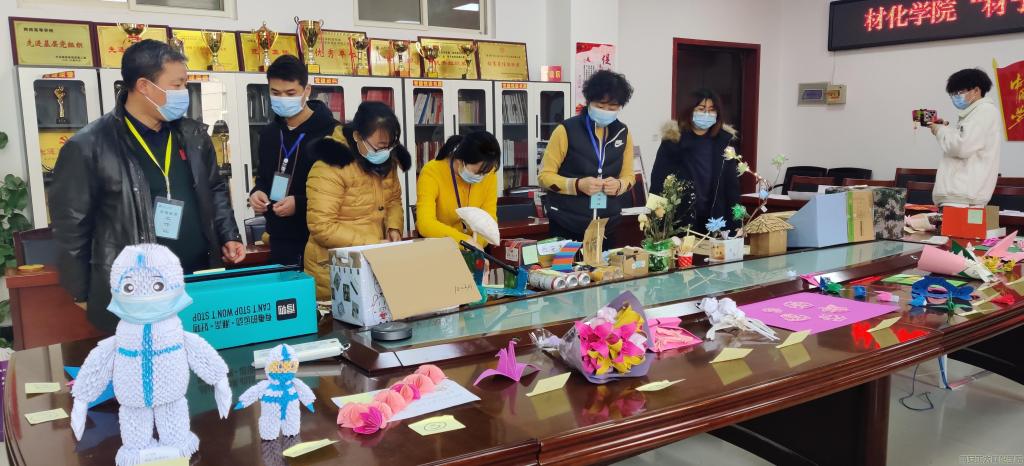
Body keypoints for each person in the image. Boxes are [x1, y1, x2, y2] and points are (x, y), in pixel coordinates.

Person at [49, 39, 245, 333]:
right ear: (144, 86)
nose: (183, 93)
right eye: (177, 85)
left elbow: (214, 189)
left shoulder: (192, 135)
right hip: (136, 291)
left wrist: (229, 234)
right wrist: (81, 292)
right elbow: (71, 226)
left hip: (197, 278)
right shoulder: (90, 145)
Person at [304, 102, 411, 299]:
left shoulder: (387, 162)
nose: (385, 152)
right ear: (357, 136)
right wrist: (373, 244)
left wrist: (393, 228)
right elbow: (322, 227)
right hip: (335, 269)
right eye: (379, 147)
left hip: (375, 260)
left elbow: (394, 201)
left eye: (389, 146)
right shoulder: (329, 167)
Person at [248, 55, 338, 266]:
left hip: (319, 242)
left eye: (290, 93)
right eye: (275, 93)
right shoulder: (269, 133)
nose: (282, 99)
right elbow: (263, 179)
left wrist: (300, 204)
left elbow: (343, 194)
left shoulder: (332, 133)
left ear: (306, 91)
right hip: (279, 240)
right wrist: (257, 192)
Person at [539, 70, 635, 246]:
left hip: (606, 226)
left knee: (604, 265)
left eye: (612, 108)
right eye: (601, 106)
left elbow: (629, 176)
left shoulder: (623, 133)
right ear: (589, 101)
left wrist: (619, 185)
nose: (606, 111)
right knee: (569, 266)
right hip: (566, 223)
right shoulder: (566, 130)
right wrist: (577, 185)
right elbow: (544, 177)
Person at [650, 89, 740, 233]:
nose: (707, 114)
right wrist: (655, 221)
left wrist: (737, 222)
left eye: (712, 110)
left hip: (715, 219)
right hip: (680, 218)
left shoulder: (724, 141)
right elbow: (658, 181)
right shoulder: (674, 140)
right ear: (690, 111)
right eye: (701, 109)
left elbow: (731, 186)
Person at [929, 68, 1002, 207]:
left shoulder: (984, 111)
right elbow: (965, 140)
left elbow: (961, 147)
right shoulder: (976, 113)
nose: (955, 97)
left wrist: (940, 131)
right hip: (961, 198)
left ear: (976, 90)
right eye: (952, 94)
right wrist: (945, 129)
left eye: (959, 92)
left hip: (963, 199)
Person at [416, 131, 500, 247]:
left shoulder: (489, 173)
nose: (482, 177)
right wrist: (464, 241)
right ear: (461, 160)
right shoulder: (432, 172)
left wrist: (476, 245)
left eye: (485, 173)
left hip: (474, 247)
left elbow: (489, 221)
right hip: (441, 247)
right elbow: (425, 224)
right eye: (478, 172)